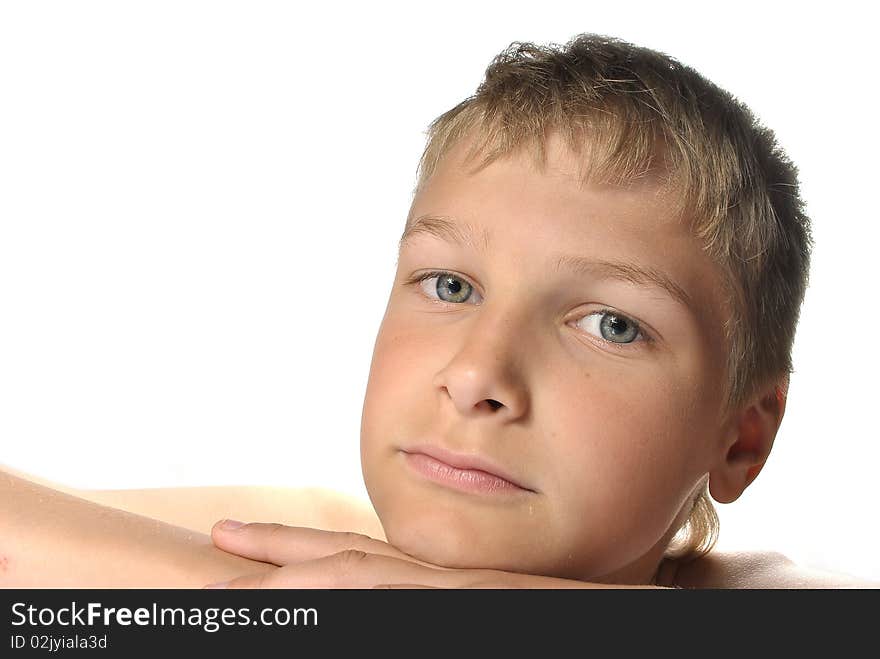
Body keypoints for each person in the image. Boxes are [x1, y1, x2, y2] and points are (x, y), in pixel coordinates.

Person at [0, 33, 873, 589]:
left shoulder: (751, 595)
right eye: (451, 285)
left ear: (741, 437)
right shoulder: (313, 539)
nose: (478, 375)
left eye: (612, 323)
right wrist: (259, 604)